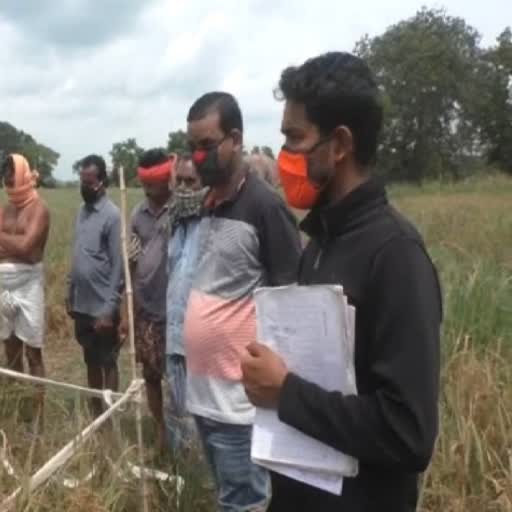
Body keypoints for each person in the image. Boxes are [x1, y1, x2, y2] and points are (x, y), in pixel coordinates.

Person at [240, 52, 442, 512]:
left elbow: (408, 433)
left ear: (339, 144)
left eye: (295, 138)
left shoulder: (396, 255)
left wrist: (285, 393)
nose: (285, 156)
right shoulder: (320, 242)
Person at [183, 92, 302, 512]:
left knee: (243, 503)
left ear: (235, 139)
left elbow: (292, 300)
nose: (197, 158)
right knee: (228, 498)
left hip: (239, 403)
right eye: (192, 147)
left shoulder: (264, 207)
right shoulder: (208, 205)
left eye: (206, 145)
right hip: (203, 393)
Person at [0, 154, 50, 418]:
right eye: (6, 176)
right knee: (10, 349)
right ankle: (17, 407)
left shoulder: (39, 209)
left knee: (33, 352)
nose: (9, 181)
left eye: (13, 175)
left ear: (24, 175)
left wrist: (3, 237)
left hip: (29, 286)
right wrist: (14, 242)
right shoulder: (7, 208)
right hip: (6, 286)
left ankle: (38, 413)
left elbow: (28, 248)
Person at [67, 154, 123, 417]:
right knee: (89, 358)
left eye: (88, 182)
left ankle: (110, 414)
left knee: (108, 361)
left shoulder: (112, 216)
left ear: (101, 182)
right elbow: (77, 253)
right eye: (82, 181)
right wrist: (70, 291)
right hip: (83, 303)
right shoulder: (81, 211)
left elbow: (118, 267)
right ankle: (95, 412)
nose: (84, 187)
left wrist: (109, 309)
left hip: (102, 304)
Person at [127, 148, 175, 453]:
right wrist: (128, 310)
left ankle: (183, 434)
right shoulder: (137, 215)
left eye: (153, 182)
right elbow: (132, 261)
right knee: (151, 375)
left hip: (175, 310)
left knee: (178, 377)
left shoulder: (182, 211)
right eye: (144, 183)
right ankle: (160, 432)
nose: (148, 189)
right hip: (147, 307)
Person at [164, 154, 205, 454]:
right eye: (179, 181)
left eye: (191, 181)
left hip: (201, 342)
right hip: (174, 335)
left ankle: (200, 488)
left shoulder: (214, 225)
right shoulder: (176, 224)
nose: (184, 188)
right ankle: (180, 478)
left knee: (200, 417)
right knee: (176, 409)